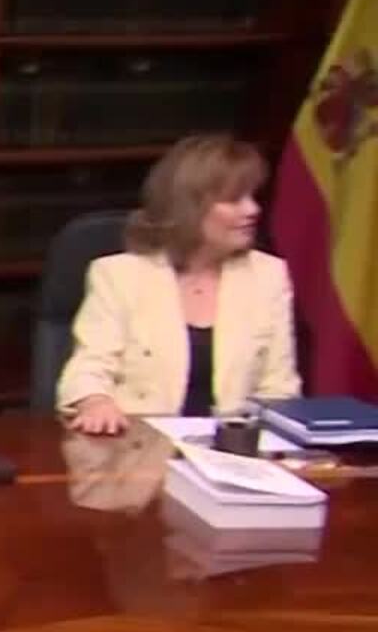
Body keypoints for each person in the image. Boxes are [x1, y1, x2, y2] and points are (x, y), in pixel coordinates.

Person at [57, 134, 301, 436]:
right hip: (138, 448)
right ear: (189, 206)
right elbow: (88, 369)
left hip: (234, 450)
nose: (252, 209)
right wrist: (96, 402)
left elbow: (279, 388)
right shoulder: (119, 276)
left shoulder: (268, 275)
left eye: (253, 196)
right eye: (234, 199)